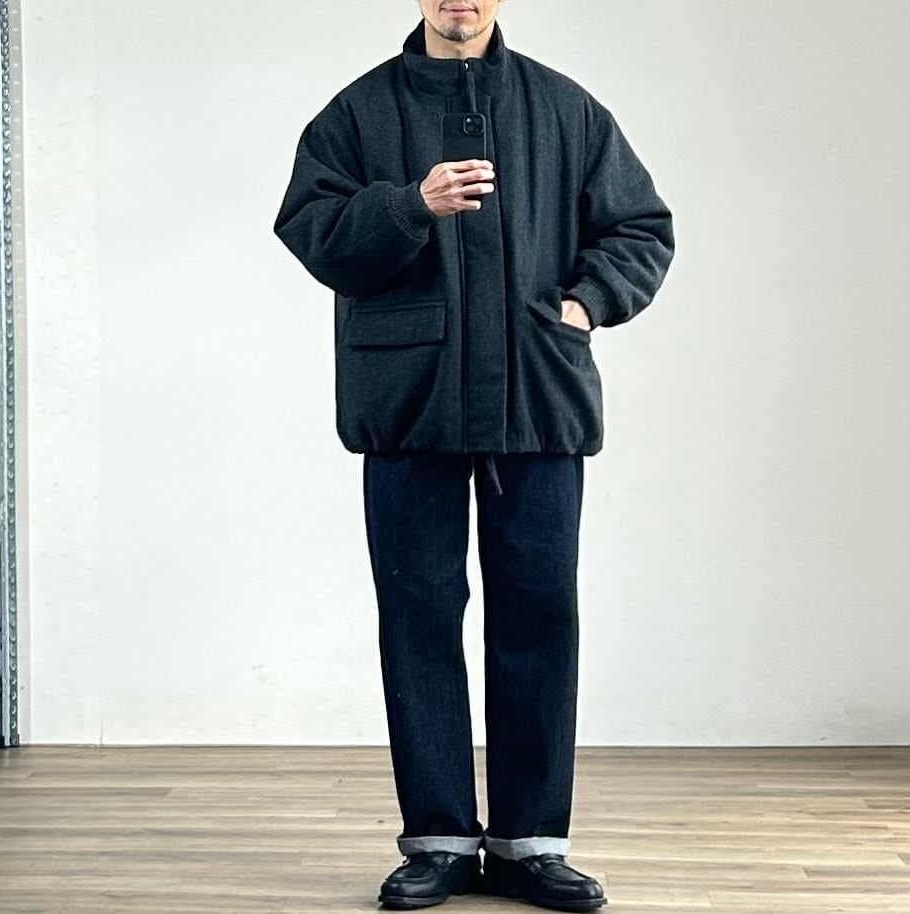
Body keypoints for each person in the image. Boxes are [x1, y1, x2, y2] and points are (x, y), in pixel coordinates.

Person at [273, 1, 674, 909]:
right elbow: (312, 231)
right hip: (407, 402)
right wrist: (408, 205)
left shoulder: (567, 109)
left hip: (537, 396)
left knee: (540, 614)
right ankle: (439, 841)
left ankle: (532, 843)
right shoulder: (358, 113)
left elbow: (641, 227)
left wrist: (583, 306)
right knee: (417, 616)